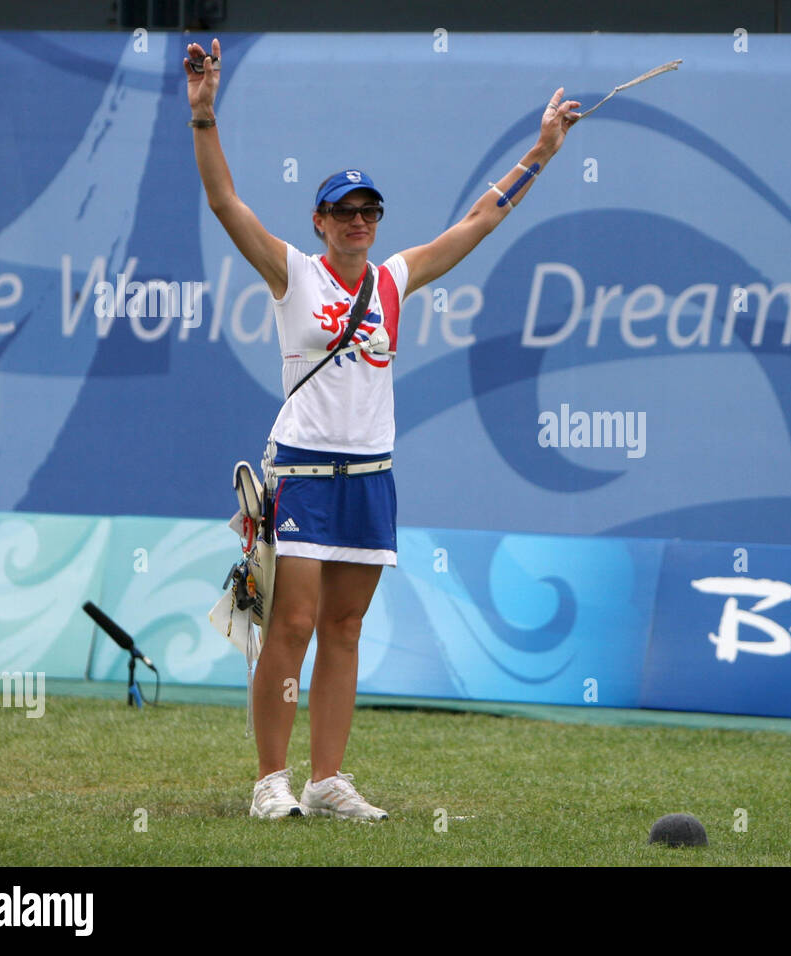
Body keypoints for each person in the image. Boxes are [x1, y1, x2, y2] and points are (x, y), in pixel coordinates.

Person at [185, 37, 581, 821]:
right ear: (320, 220)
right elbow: (227, 204)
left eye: (370, 211)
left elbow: (479, 220)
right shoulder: (293, 274)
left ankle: (328, 780)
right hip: (303, 472)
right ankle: (272, 783)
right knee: (290, 624)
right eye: (346, 212)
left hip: (372, 476)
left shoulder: (397, 278)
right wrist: (204, 116)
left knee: (345, 625)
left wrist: (541, 151)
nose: (360, 222)